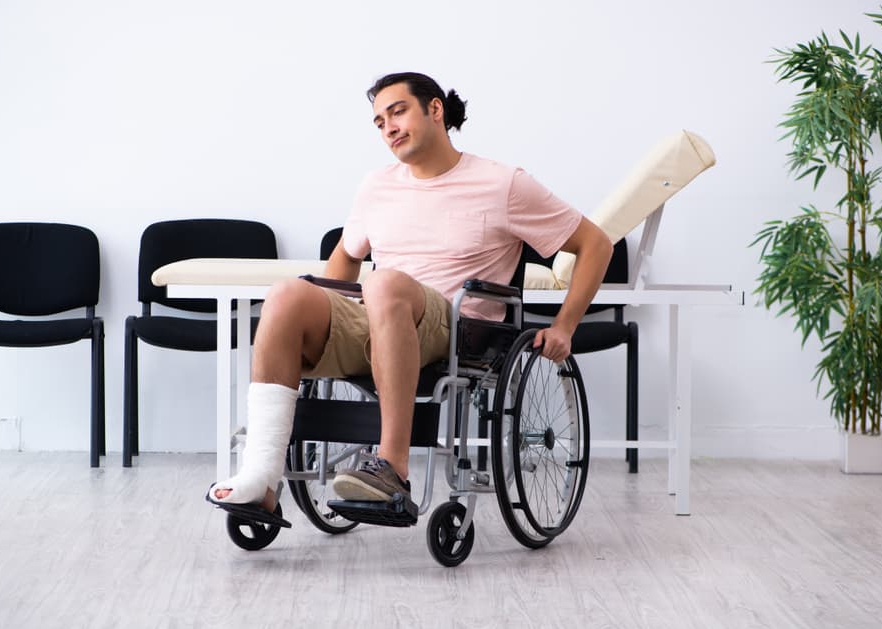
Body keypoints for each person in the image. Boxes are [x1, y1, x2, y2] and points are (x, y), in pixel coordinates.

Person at [207, 72, 613, 511]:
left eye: (398, 112)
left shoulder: (503, 183)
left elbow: (595, 244)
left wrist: (564, 326)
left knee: (383, 282)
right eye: (380, 122)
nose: (389, 128)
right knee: (286, 294)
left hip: (457, 329)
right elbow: (345, 258)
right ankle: (262, 479)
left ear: (435, 110)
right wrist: (328, 314)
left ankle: (392, 467)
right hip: (379, 315)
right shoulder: (376, 185)